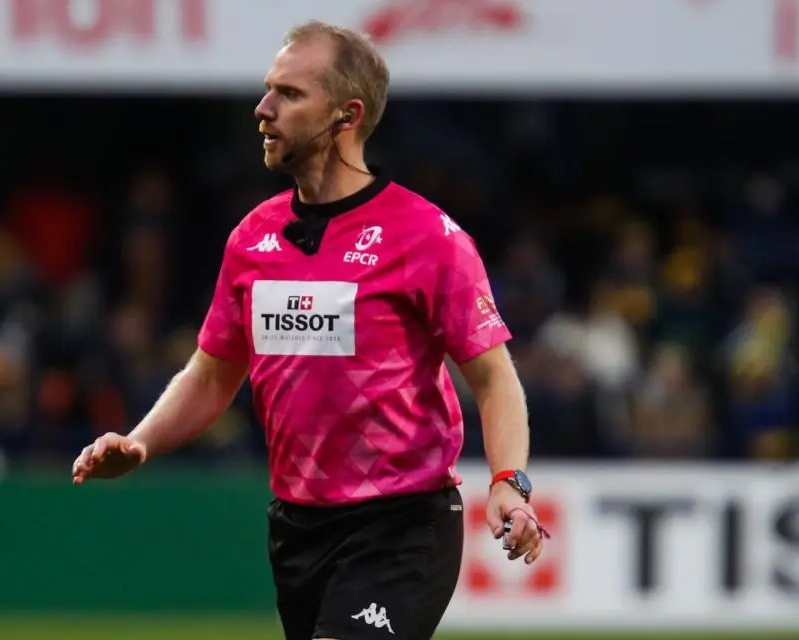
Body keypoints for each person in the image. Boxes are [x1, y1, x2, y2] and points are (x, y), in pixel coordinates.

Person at [72, 20, 547, 640]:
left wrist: (510, 484)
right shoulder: (251, 239)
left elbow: (495, 379)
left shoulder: (427, 237)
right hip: (296, 528)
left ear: (346, 116)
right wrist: (139, 443)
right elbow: (213, 372)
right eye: (268, 90)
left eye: (289, 95)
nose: (262, 109)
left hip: (402, 525)